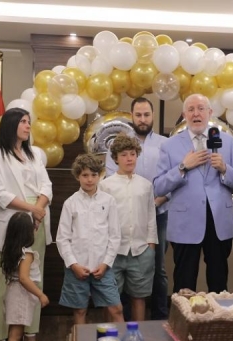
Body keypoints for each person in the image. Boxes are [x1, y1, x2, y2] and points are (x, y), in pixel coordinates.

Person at [154, 94, 233, 293]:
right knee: (184, 284)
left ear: (210, 113)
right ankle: (183, 314)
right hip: (185, 223)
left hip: (219, 221)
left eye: (201, 108)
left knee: (219, 283)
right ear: (184, 115)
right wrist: (182, 167)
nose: (196, 113)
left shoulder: (227, 141)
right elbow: (158, 187)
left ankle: (217, 314)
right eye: (191, 109)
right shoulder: (169, 145)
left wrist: (224, 168)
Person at [0, 108, 53, 341]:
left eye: (29, 121)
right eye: (23, 121)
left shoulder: (34, 154)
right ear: (11, 124)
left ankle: (30, 335)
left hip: (37, 221)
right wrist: (31, 209)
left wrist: (39, 209)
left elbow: (46, 186)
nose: (27, 126)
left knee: (34, 278)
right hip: (11, 223)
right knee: (2, 283)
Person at [105, 97, 169, 320]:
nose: (143, 119)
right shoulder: (119, 144)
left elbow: (171, 179)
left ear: (153, 116)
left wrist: (154, 202)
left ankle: (159, 319)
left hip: (158, 214)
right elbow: (111, 179)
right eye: (138, 115)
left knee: (157, 270)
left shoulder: (164, 144)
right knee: (120, 272)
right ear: (131, 116)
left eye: (146, 115)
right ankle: (122, 321)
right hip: (122, 220)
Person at [57, 153, 125, 324]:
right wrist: (74, 265)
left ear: (99, 175)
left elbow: (115, 236)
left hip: (103, 267)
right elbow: (62, 238)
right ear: (77, 176)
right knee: (80, 310)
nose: (89, 179)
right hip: (76, 267)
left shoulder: (108, 201)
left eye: (94, 175)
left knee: (116, 308)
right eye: (85, 175)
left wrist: (106, 263)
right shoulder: (70, 203)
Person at [99, 135, 157, 322]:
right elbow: (101, 219)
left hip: (140, 250)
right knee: (110, 299)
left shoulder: (146, 185)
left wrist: (151, 245)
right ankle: (110, 336)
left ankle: (137, 334)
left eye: (132, 154)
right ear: (116, 158)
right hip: (113, 252)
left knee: (139, 298)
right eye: (124, 155)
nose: (129, 158)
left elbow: (151, 216)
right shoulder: (105, 185)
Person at [1, 212, 49, 341]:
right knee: (15, 335)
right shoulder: (26, 254)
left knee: (16, 332)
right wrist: (40, 294)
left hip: (14, 293)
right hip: (20, 295)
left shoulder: (13, 250)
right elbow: (24, 278)